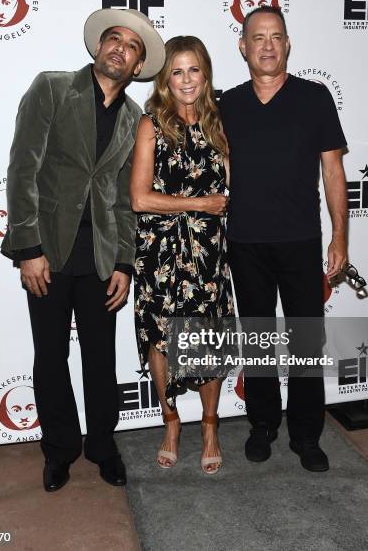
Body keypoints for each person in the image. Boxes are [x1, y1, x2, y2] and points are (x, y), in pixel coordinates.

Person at [1, 8, 165, 492]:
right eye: (113, 38)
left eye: (131, 45)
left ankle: (101, 445)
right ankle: (59, 450)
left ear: (138, 66)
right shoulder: (51, 88)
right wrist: (27, 247)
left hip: (99, 257)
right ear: (98, 47)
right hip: (47, 252)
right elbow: (22, 169)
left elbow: (123, 199)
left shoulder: (136, 119)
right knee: (49, 355)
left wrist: (123, 261)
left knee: (100, 357)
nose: (120, 47)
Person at [219, 5, 348, 472]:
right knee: (255, 339)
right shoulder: (225, 104)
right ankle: (262, 426)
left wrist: (340, 239)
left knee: (306, 342)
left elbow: (333, 170)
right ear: (243, 47)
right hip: (246, 243)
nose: (268, 45)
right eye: (258, 38)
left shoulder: (314, 98)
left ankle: (307, 435)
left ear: (288, 44)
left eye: (276, 37)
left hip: (300, 240)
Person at [130, 36, 234, 474]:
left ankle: (210, 425)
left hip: (208, 253)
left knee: (206, 340)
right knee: (161, 338)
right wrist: (199, 204)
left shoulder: (221, 123)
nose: (187, 80)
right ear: (165, 78)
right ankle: (170, 421)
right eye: (177, 71)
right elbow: (139, 198)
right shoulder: (151, 124)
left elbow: (233, 187)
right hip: (158, 252)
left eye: (194, 70)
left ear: (205, 73)